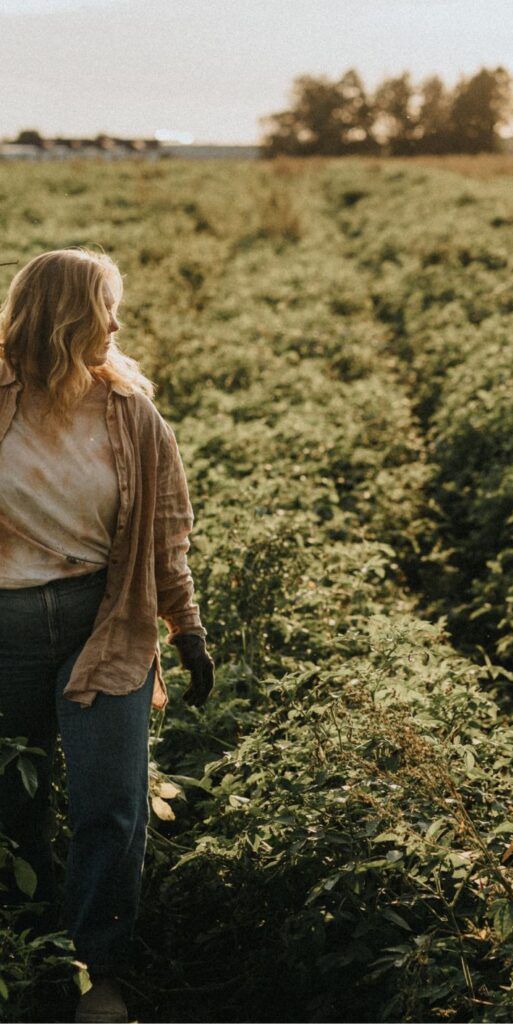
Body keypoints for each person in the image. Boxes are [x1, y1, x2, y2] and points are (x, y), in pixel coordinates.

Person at [0, 247, 216, 1024]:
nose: (117, 322)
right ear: (63, 314)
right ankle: (25, 949)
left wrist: (185, 626)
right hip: (7, 624)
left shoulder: (130, 412)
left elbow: (166, 529)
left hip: (108, 618)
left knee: (113, 804)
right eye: (105, 305)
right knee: (12, 799)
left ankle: (100, 969)